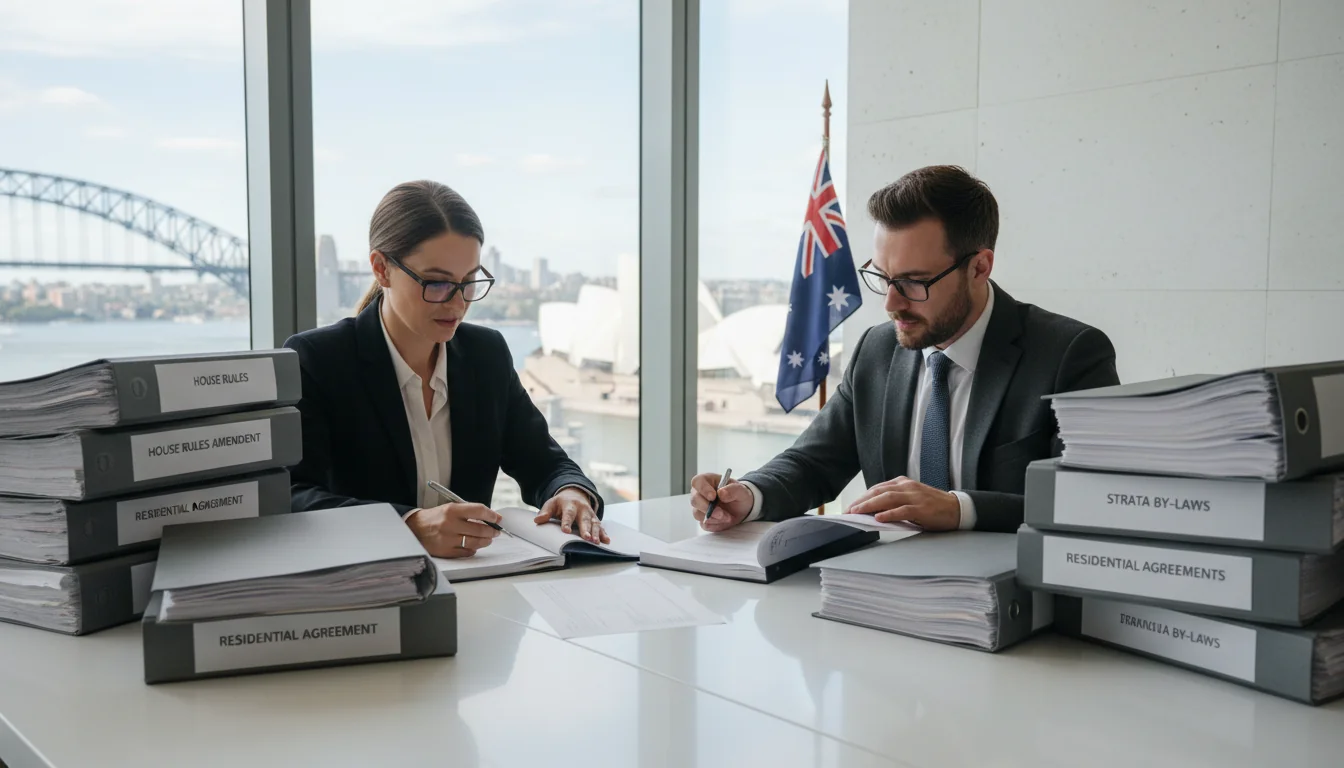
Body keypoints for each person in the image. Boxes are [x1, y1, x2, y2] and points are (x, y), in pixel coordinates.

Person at [690, 165, 1119, 533]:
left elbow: (1090, 499)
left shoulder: (1070, 354)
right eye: (882, 277)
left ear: (980, 267)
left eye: (914, 282)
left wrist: (959, 509)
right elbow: (813, 463)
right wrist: (748, 494)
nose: (891, 303)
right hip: (880, 595)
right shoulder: (877, 349)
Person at [285, 180, 606, 558]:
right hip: (365, 587)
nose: (457, 303)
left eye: (469, 282)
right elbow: (293, 497)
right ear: (381, 269)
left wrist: (569, 492)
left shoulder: (486, 355)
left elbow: (545, 462)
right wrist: (409, 525)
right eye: (437, 283)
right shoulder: (318, 360)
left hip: (478, 585)